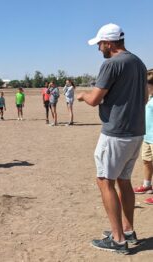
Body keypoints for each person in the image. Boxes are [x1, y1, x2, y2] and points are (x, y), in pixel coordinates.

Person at [77, 23, 147, 254]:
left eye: (99, 44)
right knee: (123, 181)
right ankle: (127, 230)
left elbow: (95, 98)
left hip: (116, 133)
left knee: (105, 181)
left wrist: (83, 95)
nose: (98, 48)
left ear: (109, 43)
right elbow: (145, 96)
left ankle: (118, 240)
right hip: (136, 132)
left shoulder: (111, 63)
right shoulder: (138, 62)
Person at [133, 69, 153, 204]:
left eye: (146, 84)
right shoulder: (149, 97)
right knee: (146, 161)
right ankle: (147, 185)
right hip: (147, 136)